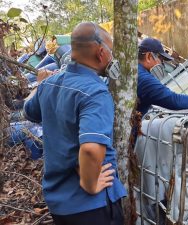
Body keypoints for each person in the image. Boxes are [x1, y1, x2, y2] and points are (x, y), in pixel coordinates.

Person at [23, 22, 126, 225]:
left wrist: (39, 85)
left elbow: (28, 111)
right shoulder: (96, 93)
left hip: (59, 202)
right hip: (91, 206)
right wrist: (90, 185)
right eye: (111, 51)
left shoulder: (50, 84)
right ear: (101, 53)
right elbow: (90, 149)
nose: (111, 57)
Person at [137, 37, 188, 116]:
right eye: (161, 60)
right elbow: (174, 100)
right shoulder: (144, 79)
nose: (161, 65)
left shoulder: (135, 71)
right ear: (149, 56)